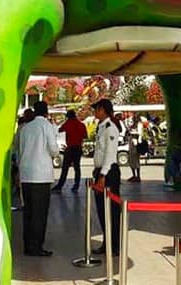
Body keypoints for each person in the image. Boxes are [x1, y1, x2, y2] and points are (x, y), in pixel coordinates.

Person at [18, 101, 59, 257]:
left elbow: (20, 149)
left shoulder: (25, 128)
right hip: (41, 176)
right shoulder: (47, 126)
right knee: (39, 214)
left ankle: (28, 245)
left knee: (28, 212)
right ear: (47, 112)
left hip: (26, 174)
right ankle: (37, 246)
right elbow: (54, 150)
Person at [91, 98, 121, 255]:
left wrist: (102, 175)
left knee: (112, 211)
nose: (95, 112)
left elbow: (109, 154)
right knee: (102, 211)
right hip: (101, 171)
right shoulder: (101, 127)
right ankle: (107, 242)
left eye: (97, 109)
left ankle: (115, 246)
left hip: (108, 173)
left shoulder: (111, 128)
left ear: (103, 110)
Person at [52, 110, 87, 193]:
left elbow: (60, 130)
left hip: (70, 148)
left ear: (68, 116)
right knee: (77, 168)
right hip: (78, 148)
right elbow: (85, 136)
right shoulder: (81, 124)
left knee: (65, 168)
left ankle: (60, 185)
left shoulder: (68, 123)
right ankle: (76, 185)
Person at [127, 113, 143, 182]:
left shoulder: (139, 124)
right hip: (131, 142)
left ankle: (138, 176)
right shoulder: (133, 124)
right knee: (131, 160)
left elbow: (139, 133)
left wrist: (132, 132)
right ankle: (134, 175)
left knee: (136, 160)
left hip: (136, 143)